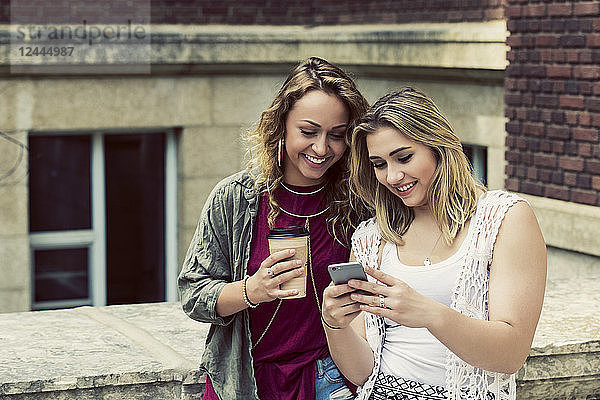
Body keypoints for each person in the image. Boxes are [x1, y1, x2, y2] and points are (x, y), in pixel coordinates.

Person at [321, 88, 547, 400]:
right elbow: (361, 373)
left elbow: (510, 355)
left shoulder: (503, 218)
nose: (392, 176)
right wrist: (334, 325)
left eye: (404, 157)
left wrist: (428, 313)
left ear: (437, 147)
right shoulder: (371, 237)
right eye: (379, 164)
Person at [178, 57, 370, 400]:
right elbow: (194, 295)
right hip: (245, 381)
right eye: (308, 132)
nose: (322, 148)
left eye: (337, 136)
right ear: (281, 126)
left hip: (328, 380)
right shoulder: (236, 198)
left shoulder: (358, 203)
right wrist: (253, 289)